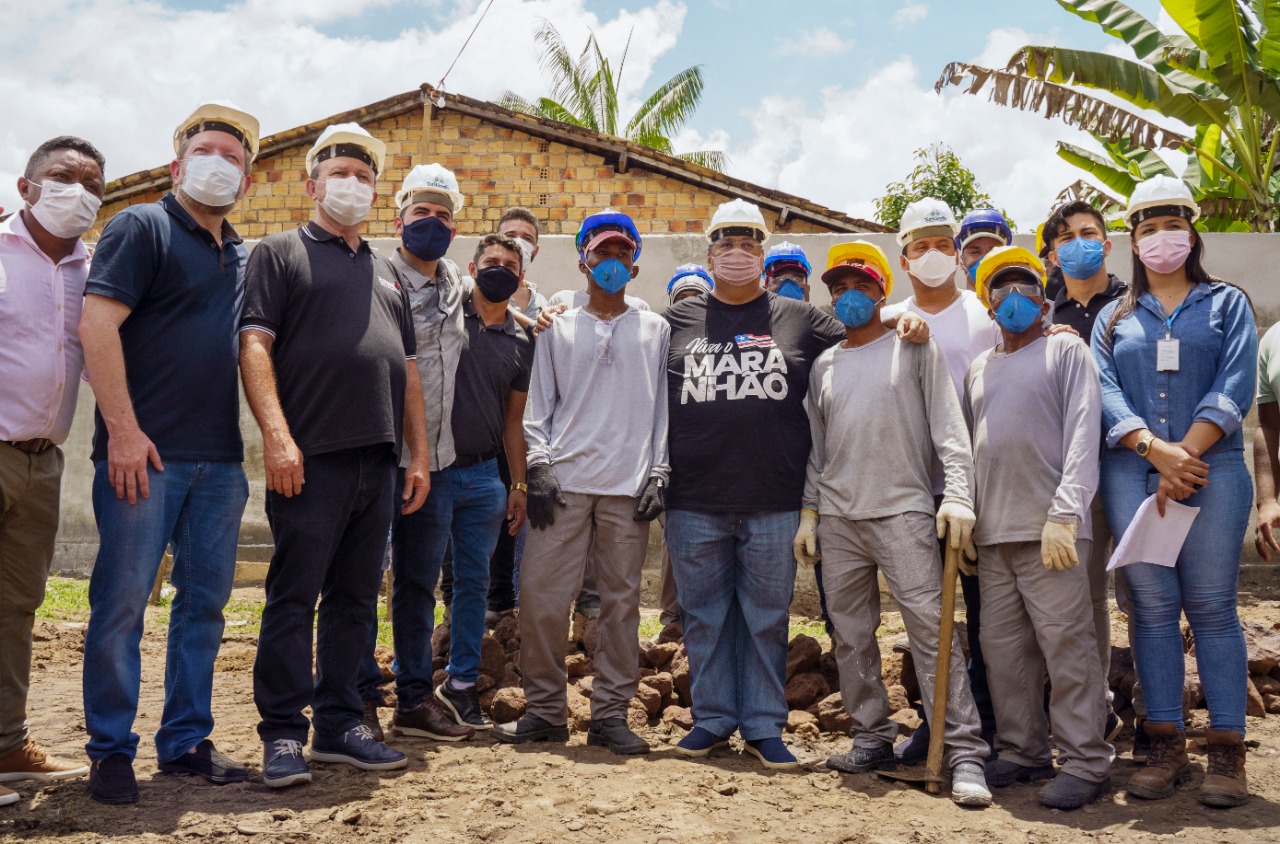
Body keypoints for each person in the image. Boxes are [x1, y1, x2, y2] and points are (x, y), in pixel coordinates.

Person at [662, 199, 930, 771]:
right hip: (693, 499)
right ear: (708, 253)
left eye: (749, 242)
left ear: (764, 253)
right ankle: (711, 719)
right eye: (726, 242)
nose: (737, 252)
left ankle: (763, 725)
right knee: (704, 616)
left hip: (775, 501)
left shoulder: (799, 319)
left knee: (766, 617)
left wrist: (901, 315)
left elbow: (861, 329)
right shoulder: (676, 323)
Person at [77, 104, 259, 805]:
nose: (218, 163)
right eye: (205, 150)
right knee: (122, 604)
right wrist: (122, 430)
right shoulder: (140, 226)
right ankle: (110, 751)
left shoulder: (240, 254)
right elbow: (98, 324)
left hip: (219, 462)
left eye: (233, 157)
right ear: (177, 165)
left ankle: (185, 742)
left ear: (246, 180)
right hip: (142, 458)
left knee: (204, 608)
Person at [240, 123, 428, 788]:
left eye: (363, 174)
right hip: (309, 458)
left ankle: (341, 724)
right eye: (338, 171)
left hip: (376, 463)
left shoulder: (385, 271)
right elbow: (255, 346)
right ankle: (284, 734)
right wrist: (277, 437)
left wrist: (419, 457)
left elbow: (406, 367)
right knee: (293, 598)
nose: (351, 183)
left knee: (354, 600)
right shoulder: (280, 253)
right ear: (312, 183)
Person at [801, 240, 991, 806]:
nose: (851, 297)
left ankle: (963, 753)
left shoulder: (914, 347)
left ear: (884, 292)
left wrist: (957, 497)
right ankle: (872, 738)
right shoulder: (824, 365)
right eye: (840, 290)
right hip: (839, 519)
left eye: (862, 287)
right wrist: (810, 512)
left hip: (904, 512)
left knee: (933, 635)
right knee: (852, 636)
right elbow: (818, 448)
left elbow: (950, 432)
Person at [1093, 175, 1256, 808]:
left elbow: (1236, 381)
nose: (1162, 238)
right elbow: (1105, 391)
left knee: (1213, 607)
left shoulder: (1226, 303)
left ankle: (1227, 752)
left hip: (1213, 471)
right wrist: (1153, 450)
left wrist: (1183, 454)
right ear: (1132, 240)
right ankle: (1163, 744)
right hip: (1133, 471)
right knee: (1152, 610)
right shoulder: (1113, 316)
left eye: (1173, 225)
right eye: (1148, 227)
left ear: (1192, 234)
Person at [491, 210, 669, 756]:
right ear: (582, 260)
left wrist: (660, 470)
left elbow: (664, 410)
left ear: (634, 264)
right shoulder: (557, 325)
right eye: (601, 252)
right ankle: (545, 709)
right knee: (542, 598)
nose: (611, 262)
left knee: (620, 606)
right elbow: (537, 406)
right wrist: (539, 467)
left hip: (626, 488)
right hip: (562, 486)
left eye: (622, 253)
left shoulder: (655, 330)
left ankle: (611, 715)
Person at [965, 246, 1113, 810]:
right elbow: (974, 446)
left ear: (1042, 297)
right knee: (1003, 651)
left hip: (1052, 530)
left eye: (1024, 285)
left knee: (1067, 647)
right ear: (989, 303)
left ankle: (1086, 761)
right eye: (1000, 289)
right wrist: (970, 521)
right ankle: (1022, 751)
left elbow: (1083, 434)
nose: (1013, 297)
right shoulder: (982, 367)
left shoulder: (1066, 351)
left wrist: (1066, 512)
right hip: (994, 533)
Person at [354, 163, 477, 743]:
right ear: (398, 217)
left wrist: (540, 313)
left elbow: (497, 312)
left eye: (443, 215)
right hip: (378, 455)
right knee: (356, 580)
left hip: (438, 461)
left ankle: (411, 699)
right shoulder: (373, 276)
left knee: (416, 585)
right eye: (421, 213)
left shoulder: (455, 282)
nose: (432, 223)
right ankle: (355, 700)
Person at [0, 136, 105, 803]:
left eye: (93, 182)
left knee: (17, 607)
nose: (79, 190)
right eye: (62, 177)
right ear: (25, 186)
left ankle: (7, 743)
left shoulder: (93, 269)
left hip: (44, 461)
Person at [880, 198, 1001, 763]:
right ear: (903, 258)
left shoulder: (986, 314)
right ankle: (937, 724)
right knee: (926, 617)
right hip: (914, 488)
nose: (932, 255)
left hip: (982, 489)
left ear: (959, 254)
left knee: (985, 615)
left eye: (942, 245)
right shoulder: (890, 319)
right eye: (920, 247)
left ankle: (990, 728)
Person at [399, 232, 534, 737]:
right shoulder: (447, 321)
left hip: (484, 477)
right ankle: (411, 691)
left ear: (522, 278)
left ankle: (459, 687)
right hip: (431, 470)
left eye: (510, 264)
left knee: (475, 584)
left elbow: (513, 423)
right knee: (418, 584)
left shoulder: (522, 342)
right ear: (472, 269)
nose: (500, 269)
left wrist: (517, 485)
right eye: (491, 261)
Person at [1044, 199, 1130, 744]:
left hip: (1133, 465)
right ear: (1052, 254)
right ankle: (1097, 710)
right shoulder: (1045, 314)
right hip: (1075, 474)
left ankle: (1159, 717)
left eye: (1088, 232)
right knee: (1086, 596)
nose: (1078, 242)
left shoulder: (1135, 304)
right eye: (1067, 236)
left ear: (1107, 242)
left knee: (1144, 595)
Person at [497, 206, 547, 321]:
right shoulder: (475, 290)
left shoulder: (542, 303)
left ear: (535, 250)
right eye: (510, 236)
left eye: (527, 238)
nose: (518, 243)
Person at [955, 208, 1011, 289]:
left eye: (994, 251)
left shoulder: (1021, 300)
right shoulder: (950, 301)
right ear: (961, 262)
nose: (985, 260)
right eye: (975, 252)